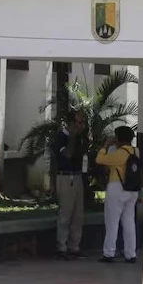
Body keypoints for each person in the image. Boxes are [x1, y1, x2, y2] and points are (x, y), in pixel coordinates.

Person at [96, 125, 140, 263]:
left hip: (117, 188)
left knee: (112, 222)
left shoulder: (120, 153)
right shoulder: (135, 151)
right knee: (129, 222)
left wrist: (105, 146)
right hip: (132, 190)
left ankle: (109, 253)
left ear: (119, 138)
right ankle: (130, 254)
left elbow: (100, 159)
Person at [51, 110, 88, 260]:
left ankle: (74, 246)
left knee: (78, 214)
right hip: (65, 177)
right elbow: (68, 154)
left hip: (77, 176)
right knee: (65, 213)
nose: (82, 126)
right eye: (79, 122)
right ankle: (61, 246)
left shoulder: (80, 138)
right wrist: (72, 137)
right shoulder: (61, 137)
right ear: (71, 123)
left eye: (83, 122)